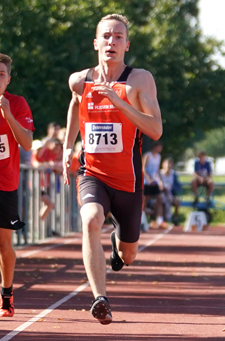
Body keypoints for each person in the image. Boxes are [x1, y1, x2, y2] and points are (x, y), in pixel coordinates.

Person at [63, 14, 162, 325]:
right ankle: (100, 299)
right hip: (92, 173)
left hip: (128, 181)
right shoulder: (80, 79)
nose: (111, 41)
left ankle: (119, 247)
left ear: (127, 45)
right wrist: (68, 146)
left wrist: (120, 103)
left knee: (128, 255)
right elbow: (74, 104)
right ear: (96, 43)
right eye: (106, 36)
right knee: (90, 218)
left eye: (118, 37)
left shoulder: (139, 80)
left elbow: (156, 129)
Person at [0, 53, 35, 317]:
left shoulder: (17, 104)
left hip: (5, 184)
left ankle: (7, 293)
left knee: (4, 245)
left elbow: (27, 144)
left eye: (1, 74)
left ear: (8, 79)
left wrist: (8, 115)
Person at [142, 141, 169, 229]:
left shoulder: (158, 157)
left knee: (159, 199)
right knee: (146, 200)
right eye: (159, 147)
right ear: (155, 147)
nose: (160, 149)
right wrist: (149, 179)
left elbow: (157, 170)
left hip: (155, 181)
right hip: (147, 182)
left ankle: (159, 219)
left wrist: (160, 181)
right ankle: (141, 218)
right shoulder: (148, 155)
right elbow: (143, 169)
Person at [160, 158, 181, 225]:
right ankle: (160, 219)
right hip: (161, 194)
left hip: (170, 194)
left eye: (170, 164)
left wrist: (172, 187)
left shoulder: (173, 175)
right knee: (160, 200)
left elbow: (178, 186)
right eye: (167, 163)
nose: (169, 165)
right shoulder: (160, 174)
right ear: (163, 165)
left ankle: (175, 218)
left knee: (177, 201)